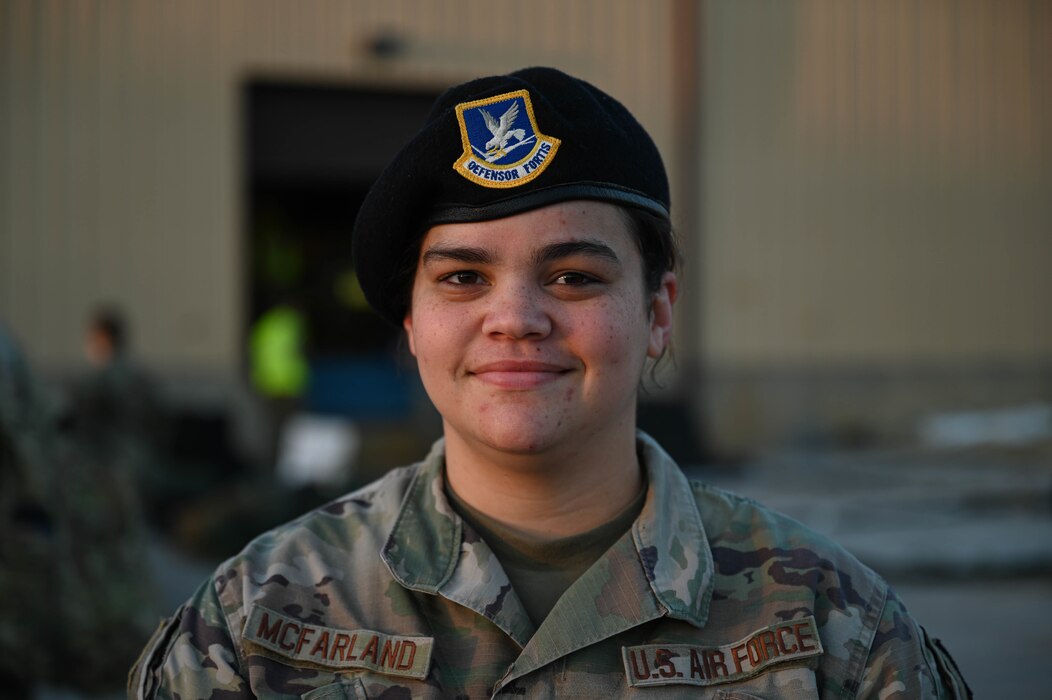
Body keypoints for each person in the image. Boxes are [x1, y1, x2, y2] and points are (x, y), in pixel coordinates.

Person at [129, 67, 969, 698]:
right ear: (412, 322)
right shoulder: (251, 625)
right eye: (462, 278)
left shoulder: (834, 629)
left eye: (573, 277)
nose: (516, 318)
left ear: (659, 311)